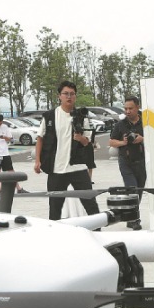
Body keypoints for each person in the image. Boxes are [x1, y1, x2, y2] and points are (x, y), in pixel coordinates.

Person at [34, 81, 100, 220]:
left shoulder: (81, 116)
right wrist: (37, 161)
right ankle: (54, 231)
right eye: (66, 94)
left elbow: (87, 142)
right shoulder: (50, 116)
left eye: (72, 94)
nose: (69, 97)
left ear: (75, 96)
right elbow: (40, 138)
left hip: (78, 167)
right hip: (57, 169)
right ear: (59, 96)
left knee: (91, 205)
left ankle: (97, 229)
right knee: (55, 207)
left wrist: (80, 138)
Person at [109, 96, 147, 230]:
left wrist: (143, 139)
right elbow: (111, 141)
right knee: (132, 189)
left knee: (139, 191)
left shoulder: (146, 122)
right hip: (126, 162)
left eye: (131, 108)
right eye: (125, 109)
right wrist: (123, 142)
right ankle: (134, 219)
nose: (128, 111)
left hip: (142, 162)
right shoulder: (121, 124)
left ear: (137, 107)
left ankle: (131, 216)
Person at [0, 114, 26, 194]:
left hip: (5, 153)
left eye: (0, 123)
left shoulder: (5, 127)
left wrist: (4, 137)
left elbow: (11, 139)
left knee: (11, 171)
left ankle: (18, 188)